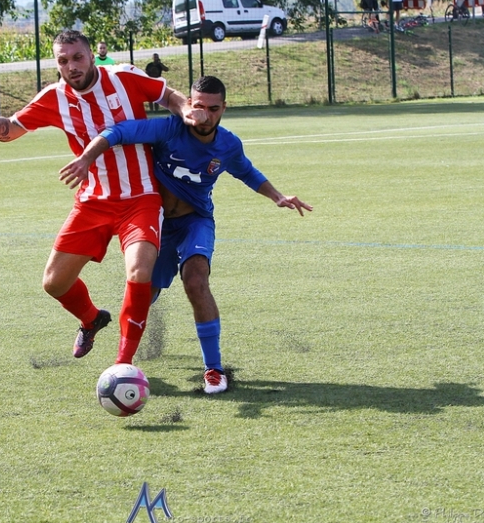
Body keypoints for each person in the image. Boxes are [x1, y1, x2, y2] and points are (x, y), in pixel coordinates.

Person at [0, 29, 201, 367]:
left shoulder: (124, 77)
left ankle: (123, 363)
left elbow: (168, 96)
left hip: (140, 198)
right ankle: (91, 318)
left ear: (90, 55)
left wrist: (186, 110)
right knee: (54, 283)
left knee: (140, 271)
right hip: (93, 201)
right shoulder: (54, 97)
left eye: (77, 57)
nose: (71, 66)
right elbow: (10, 129)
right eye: (63, 61)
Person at [59, 76, 313, 394]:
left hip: (196, 221)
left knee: (196, 281)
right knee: (143, 294)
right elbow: (119, 133)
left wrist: (277, 196)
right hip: (159, 224)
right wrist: (87, 157)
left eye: (214, 108)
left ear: (224, 108)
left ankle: (214, 369)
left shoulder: (228, 144)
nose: (205, 115)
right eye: (199, 106)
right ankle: (119, 357)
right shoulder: (168, 129)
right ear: (188, 105)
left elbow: (246, 170)